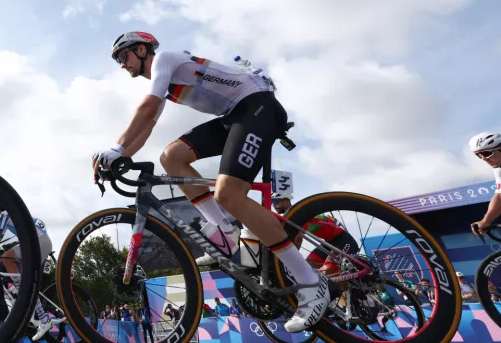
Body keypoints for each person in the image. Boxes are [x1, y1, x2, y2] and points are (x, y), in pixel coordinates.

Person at [92, 32, 329, 333]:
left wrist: (115, 148)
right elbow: (147, 127)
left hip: (257, 106)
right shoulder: (163, 85)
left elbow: (146, 109)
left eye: (122, 57)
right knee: (171, 157)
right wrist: (120, 156)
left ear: (141, 49)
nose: (121, 64)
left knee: (229, 193)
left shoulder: (164, 59)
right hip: (234, 115)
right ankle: (225, 229)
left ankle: (310, 281)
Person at [0, 198, 64, 341]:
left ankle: (19, 291)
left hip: (38, 242)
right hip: (42, 242)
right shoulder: (12, 214)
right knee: (24, 280)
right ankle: (44, 319)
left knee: (7, 258)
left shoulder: (5, 214)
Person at [273, 194, 358, 275]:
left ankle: (346, 289)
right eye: (272, 203)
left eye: (275, 202)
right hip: (329, 242)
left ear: (286, 201)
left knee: (327, 270)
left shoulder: (300, 215)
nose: (273, 205)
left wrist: (287, 260)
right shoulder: (291, 217)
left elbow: (298, 241)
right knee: (309, 264)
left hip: (343, 240)